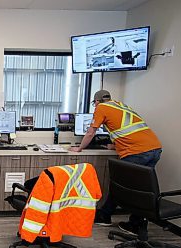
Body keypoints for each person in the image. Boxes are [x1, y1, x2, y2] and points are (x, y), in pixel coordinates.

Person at [69, 89, 162, 235]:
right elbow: (128, 131)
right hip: (154, 148)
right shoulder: (120, 105)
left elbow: (90, 132)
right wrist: (116, 145)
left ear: (97, 101)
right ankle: (135, 224)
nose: (95, 106)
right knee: (143, 189)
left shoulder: (102, 108)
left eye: (94, 103)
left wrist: (79, 148)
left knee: (120, 185)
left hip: (137, 152)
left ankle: (105, 216)